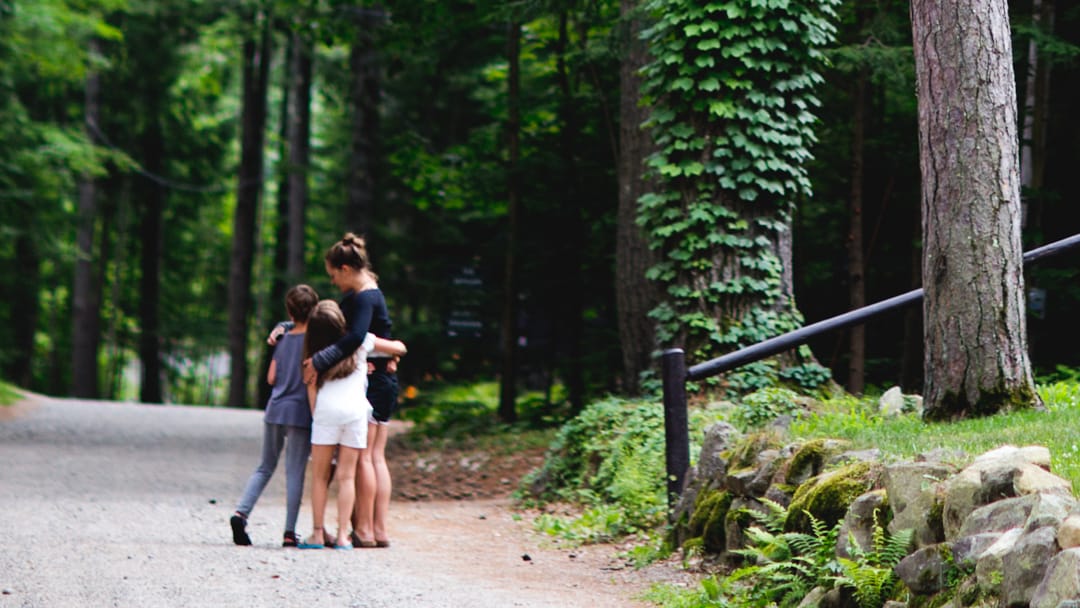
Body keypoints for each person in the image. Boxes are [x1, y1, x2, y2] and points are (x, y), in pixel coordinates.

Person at [297, 299, 407, 550]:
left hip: (327, 412)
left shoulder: (314, 356)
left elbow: (312, 393)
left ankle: (316, 534)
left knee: (320, 477)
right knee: (347, 478)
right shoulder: (361, 342)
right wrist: (393, 356)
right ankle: (344, 536)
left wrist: (319, 421)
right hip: (356, 413)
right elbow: (399, 347)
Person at [230, 284, 319, 548]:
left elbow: (271, 377)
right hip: (299, 412)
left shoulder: (281, 339)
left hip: (275, 408)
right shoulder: (314, 343)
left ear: (289, 311)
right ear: (314, 310)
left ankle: (241, 513)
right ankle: (289, 532)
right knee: (294, 472)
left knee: (265, 466)